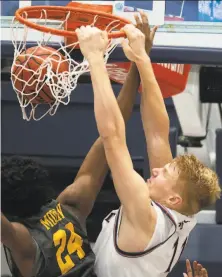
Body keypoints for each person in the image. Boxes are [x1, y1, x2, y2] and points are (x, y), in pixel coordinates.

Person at [0, 15, 157, 277]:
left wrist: (141, 60)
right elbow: (116, 121)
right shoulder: (69, 206)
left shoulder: (24, 242)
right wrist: (139, 61)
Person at [76, 11, 221, 277]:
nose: (156, 170)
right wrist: (143, 57)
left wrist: (95, 58)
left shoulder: (146, 218)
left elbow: (113, 139)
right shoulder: (183, 210)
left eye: (165, 173)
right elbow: (157, 132)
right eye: (165, 169)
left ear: (173, 198)